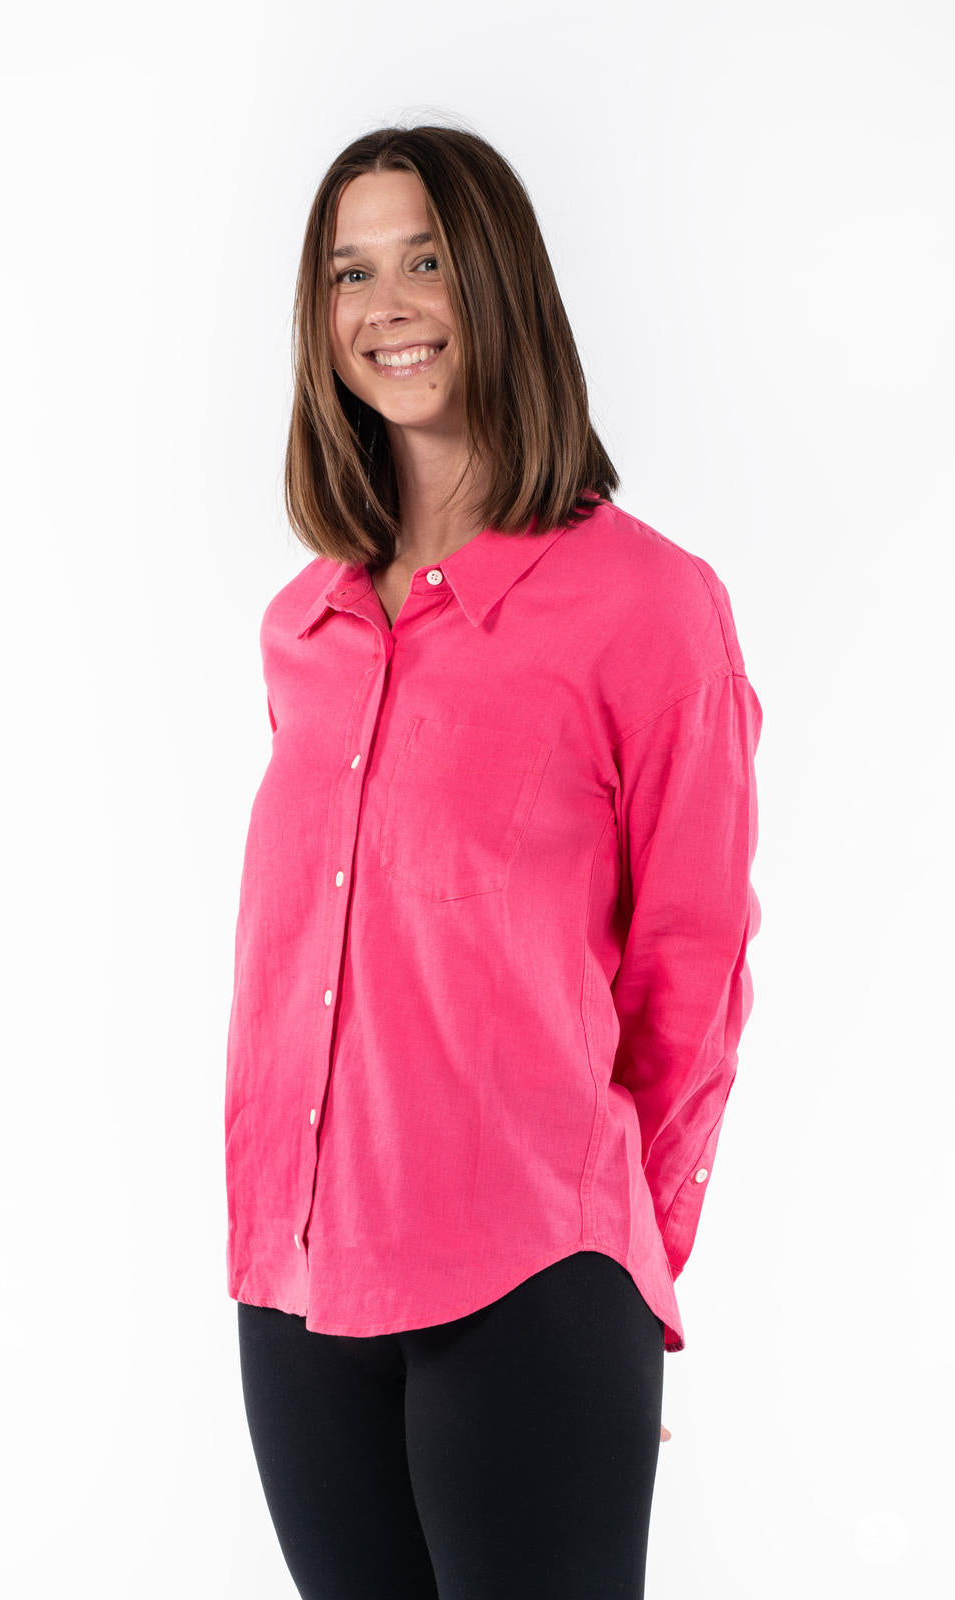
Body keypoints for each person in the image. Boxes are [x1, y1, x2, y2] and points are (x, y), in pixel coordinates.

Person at [225, 122, 762, 1599]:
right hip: (298, 1282)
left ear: (500, 288)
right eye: (350, 272)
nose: (384, 305)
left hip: (532, 1283)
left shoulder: (647, 607)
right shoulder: (305, 627)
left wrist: (628, 1282)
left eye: (426, 262)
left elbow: (692, 974)